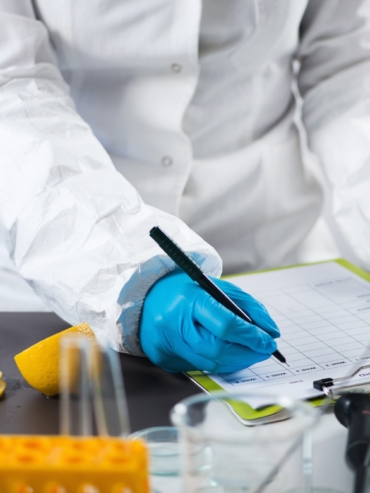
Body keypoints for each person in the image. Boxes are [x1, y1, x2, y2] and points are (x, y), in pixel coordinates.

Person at [0, 1, 368, 373]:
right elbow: (10, 88)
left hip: (271, 255)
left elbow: (351, 71)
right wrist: (127, 274)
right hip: (67, 270)